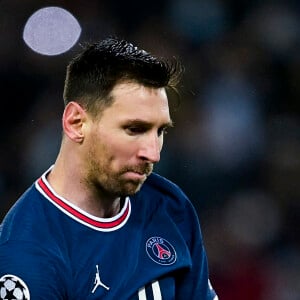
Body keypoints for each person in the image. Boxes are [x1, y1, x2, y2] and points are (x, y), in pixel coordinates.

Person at [0, 37, 218, 299]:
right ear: (77, 123)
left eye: (160, 131)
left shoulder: (170, 206)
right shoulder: (28, 253)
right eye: (135, 129)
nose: (153, 153)